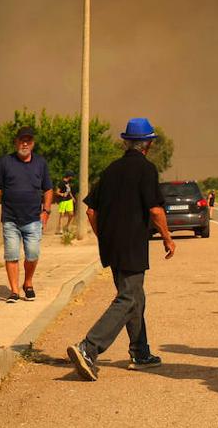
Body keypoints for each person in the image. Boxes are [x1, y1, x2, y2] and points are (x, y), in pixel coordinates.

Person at [67, 118, 174, 380]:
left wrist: (104, 235)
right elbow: (155, 209)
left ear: (127, 141)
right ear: (147, 143)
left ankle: (140, 352)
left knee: (135, 296)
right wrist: (167, 238)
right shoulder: (146, 170)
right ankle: (89, 348)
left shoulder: (111, 170)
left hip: (112, 245)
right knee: (128, 298)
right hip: (132, 245)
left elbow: (91, 210)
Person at [0, 126, 53, 303]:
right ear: (16, 142)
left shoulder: (41, 163)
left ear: (33, 143)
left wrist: (46, 211)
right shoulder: (5, 163)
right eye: (21, 140)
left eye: (28, 140)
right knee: (11, 255)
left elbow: (48, 189)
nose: (25, 143)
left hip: (33, 219)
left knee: (32, 254)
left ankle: (28, 283)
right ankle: (14, 291)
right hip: (10, 219)